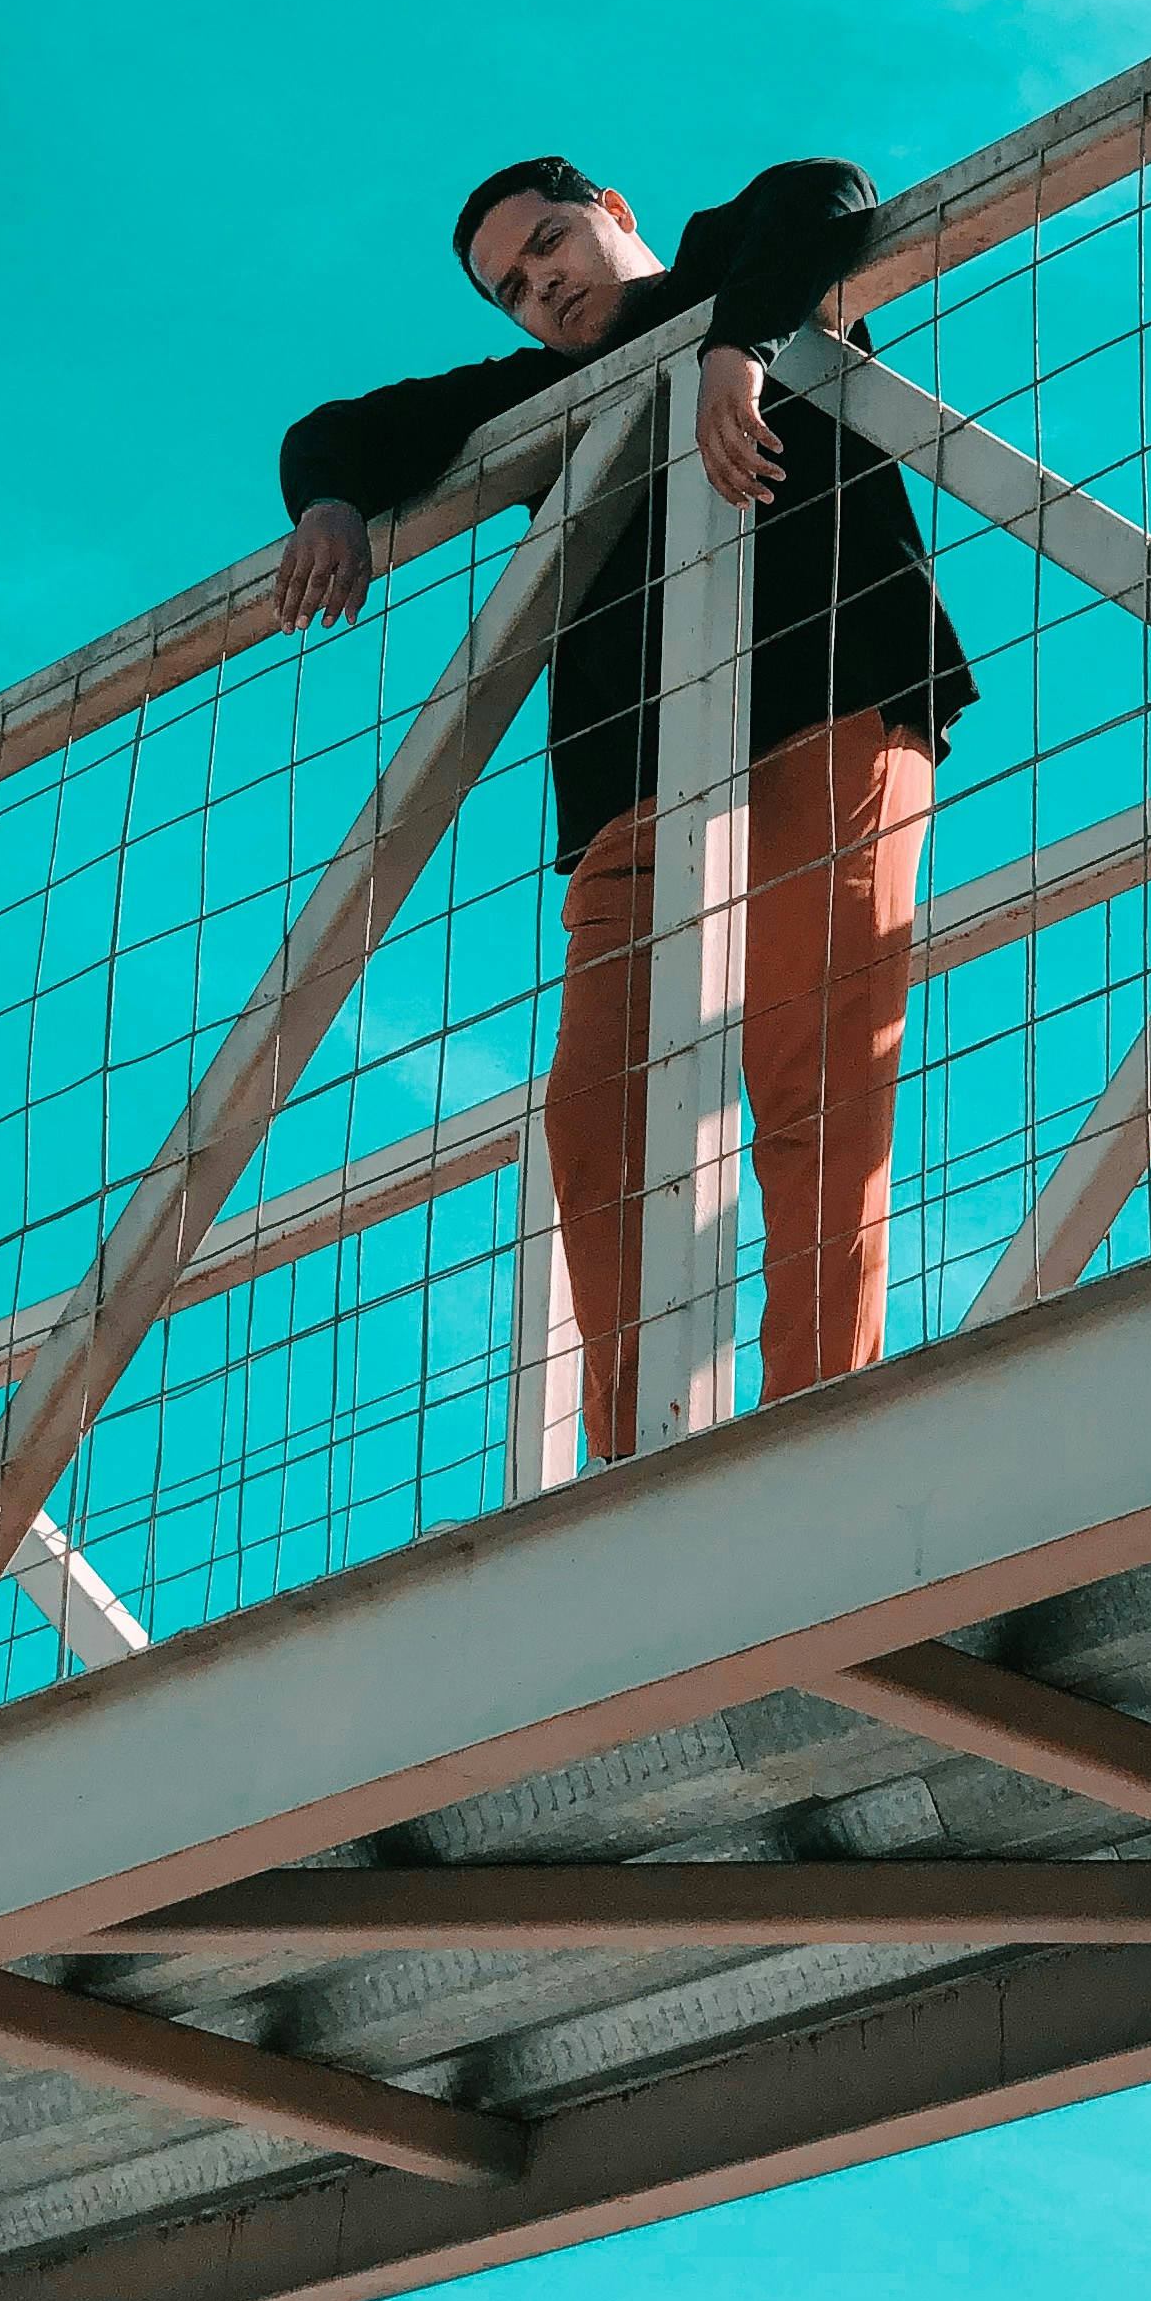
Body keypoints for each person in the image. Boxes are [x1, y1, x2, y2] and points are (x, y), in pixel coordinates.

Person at [276, 157, 974, 1462]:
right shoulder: (548, 391)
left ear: (618, 216)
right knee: (595, 1129)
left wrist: (734, 351)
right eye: (518, 290)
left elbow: (825, 191)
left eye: (554, 247)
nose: (546, 291)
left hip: (827, 707)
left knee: (810, 1069)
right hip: (630, 797)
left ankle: (818, 1421)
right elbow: (342, 427)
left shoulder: (734, 270)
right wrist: (325, 499)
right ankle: (641, 1463)